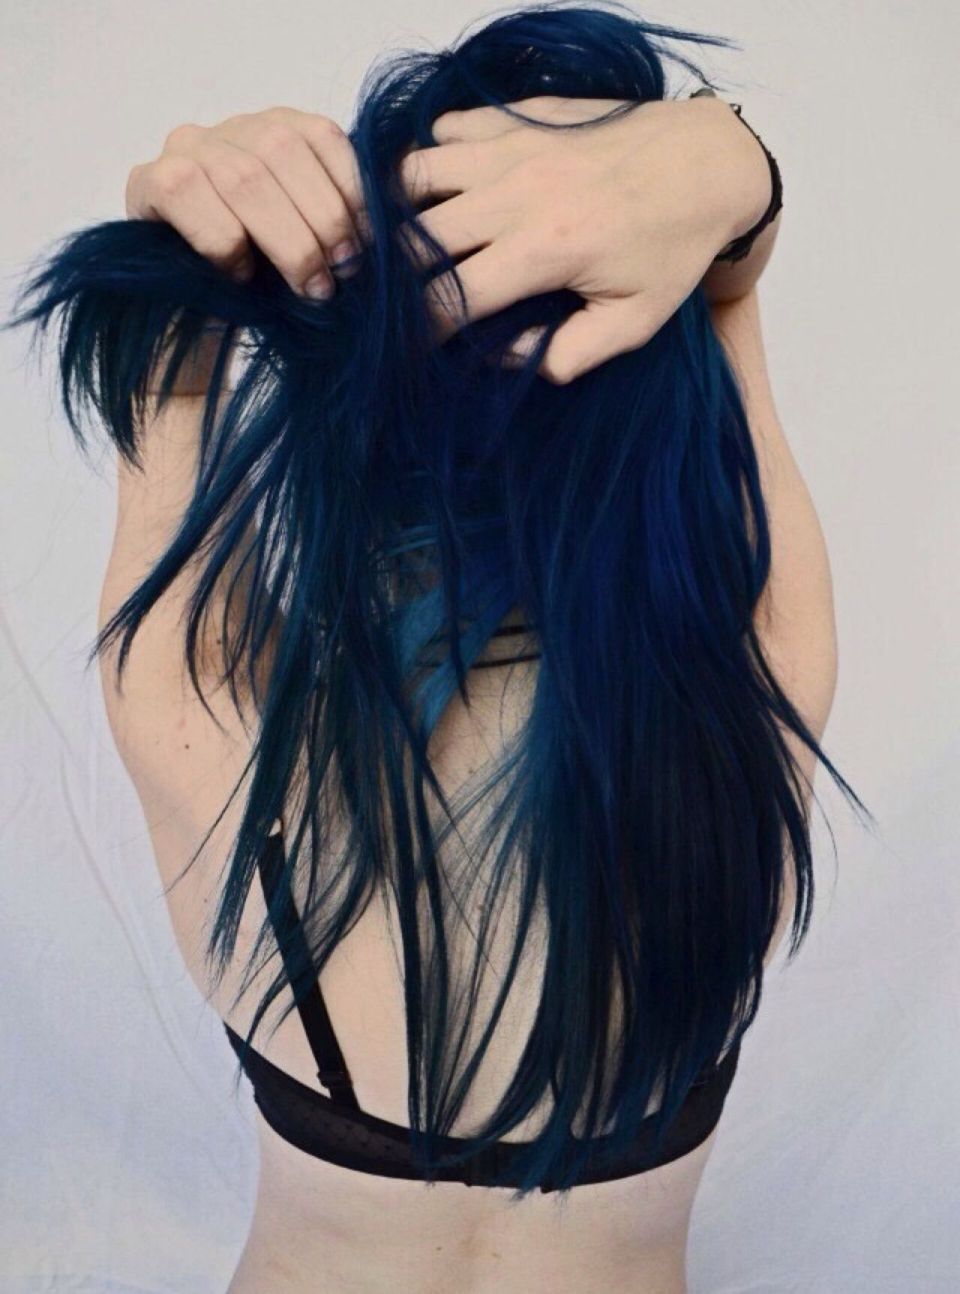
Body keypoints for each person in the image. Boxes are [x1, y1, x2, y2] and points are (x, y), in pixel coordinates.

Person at [8, 7, 865, 1292]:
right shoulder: (765, 694)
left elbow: (161, 375)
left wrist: (200, 218)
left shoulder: (200, 719)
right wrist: (726, 160)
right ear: (669, 399)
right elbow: (729, 301)